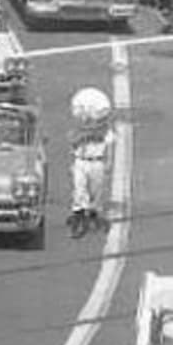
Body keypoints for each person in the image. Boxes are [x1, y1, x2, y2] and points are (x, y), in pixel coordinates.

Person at [69, 87, 114, 238]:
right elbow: (73, 142)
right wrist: (84, 134)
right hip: (81, 161)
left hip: (97, 162)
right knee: (79, 190)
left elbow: (109, 145)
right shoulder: (77, 130)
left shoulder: (106, 131)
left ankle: (94, 216)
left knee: (96, 191)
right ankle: (79, 218)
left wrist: (109, 163)